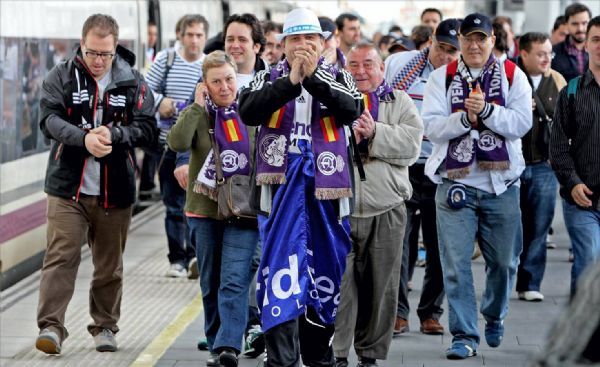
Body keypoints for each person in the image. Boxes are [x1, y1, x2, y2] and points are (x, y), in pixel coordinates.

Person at [238, 8, 362, 367]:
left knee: (326, 269)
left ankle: (317, 354)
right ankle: (281, 359)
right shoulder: (268, 77)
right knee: (278, 269)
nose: (304, 45)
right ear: (283, 44)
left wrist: (313, 79)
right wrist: (291, 81)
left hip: (328, 191)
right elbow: (248, 111)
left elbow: (350, 109)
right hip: (278, 191)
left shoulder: (339, 77)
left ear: (323, 43)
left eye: (311, 39)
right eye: (296, 39)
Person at [35, 14, 156, 355]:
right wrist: (84, 139)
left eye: (105, 54)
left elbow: (147, 129)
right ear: (82, 44)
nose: (98, 61)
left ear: (116, 47)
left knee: (109, 265)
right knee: (61, 257)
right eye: (91, 53)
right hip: (66, 188)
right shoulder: (60, 75)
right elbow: (48, 120)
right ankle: (51, 328)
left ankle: (104, 326)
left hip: (114, 190)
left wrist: (116, 134)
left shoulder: (134, 82)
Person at [421, 13, 532, 359]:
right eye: (467, 38)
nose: (473, 45)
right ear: (459, 42)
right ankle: (464, 335)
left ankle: (494, 314)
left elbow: (521, 124)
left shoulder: (513, 76)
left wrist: (485, 112)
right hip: (454, 187)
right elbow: (432, 128)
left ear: (492, 42)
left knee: (504, 263)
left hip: (501, 187)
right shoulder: (442, 78)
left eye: (480, 38)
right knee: (455, 265)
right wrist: (463, 119)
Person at [333, 42, 422, 367]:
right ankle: (338, 354)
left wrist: (376, 133)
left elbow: (412, 148)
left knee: (381, 289)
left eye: (368, 64)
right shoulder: (332, 101)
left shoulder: (399, 102)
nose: (360, 71)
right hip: (340, 210)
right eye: (353, 65)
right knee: (341, 289)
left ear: (382, 68)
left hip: (388, 210)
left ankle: (369, 355)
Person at [168, 50, 258, 367]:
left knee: (233, 279)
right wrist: (195, 105)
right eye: (216, 82)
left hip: (243, 209)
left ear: (238, 79)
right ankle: (217, 340)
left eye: (229, 79)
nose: (224, 87)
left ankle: (228, 346)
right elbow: (177, 143)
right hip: (204, 211)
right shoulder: (198, 114)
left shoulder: (250, 109)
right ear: (205, 85)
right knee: (210, 280)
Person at [385, 18, 461, 337]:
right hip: (403, 165)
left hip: (441, 167)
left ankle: (431, 311)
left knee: (440, 244)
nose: (446, 57)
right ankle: (397, 313)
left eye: (453, 52)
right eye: (442, 48)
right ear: (431, 40)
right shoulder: (400, 65)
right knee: (398, 245)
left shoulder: (462, 78)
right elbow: (384, 102)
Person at [146, 14, 209, 278]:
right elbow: (145, 90)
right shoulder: (166, 59)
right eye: (189, 35)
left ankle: (195, 256)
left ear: (205, 38)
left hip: (197, 151)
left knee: (194, 206)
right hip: (167, 148)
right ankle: (177, 260)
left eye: (199, 35)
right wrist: (161, 101)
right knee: (172, 205)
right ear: (180, 37)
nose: (194, 40)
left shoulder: (208, 65)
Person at [550, 15, 600, 297]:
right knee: (587, 263)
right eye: (596, 39)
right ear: (586, 46)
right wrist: (572, 182)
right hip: (583, 199)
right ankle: (581, 338)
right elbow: (557, 148)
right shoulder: (571, 92)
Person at [515, 32, 566, 302]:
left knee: (539, 226)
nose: (547, 58)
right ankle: (503, 274)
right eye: (540, 53)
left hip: (544, 165)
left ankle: (530, 282)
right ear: (524, 54)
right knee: (511, 225)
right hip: (511, 165)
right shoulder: (509, 77)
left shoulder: (557, 81)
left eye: (549, 53)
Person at [552, 3, 592, 82]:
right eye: (575, 24)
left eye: (584, 23)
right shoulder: (553, 53)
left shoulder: (597, 49)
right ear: (566, 25)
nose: (580, 28)